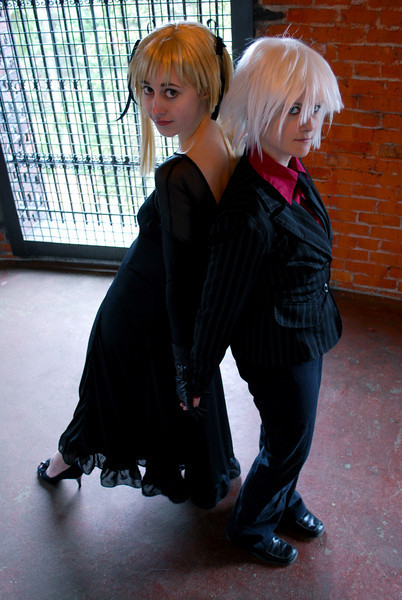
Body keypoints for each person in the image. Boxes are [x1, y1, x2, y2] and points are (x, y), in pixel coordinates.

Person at [37, 21, 240, 509]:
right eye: (147, 90)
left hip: (141, 311)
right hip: (163, 312)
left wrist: (185, 360)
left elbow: (178, 279)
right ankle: (74, 459)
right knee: (152, 397)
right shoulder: (226, 142)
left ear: (206, 88)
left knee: (110, 395)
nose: (154, 107)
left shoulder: (177, 174)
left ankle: (65, 459)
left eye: (170, 92)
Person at [175, 36, 343, 563]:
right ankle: (249, 525)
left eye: (315, 108)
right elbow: (218, 303)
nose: (309, 123)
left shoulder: (288, 167)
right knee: (290, 440)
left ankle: (282, 497)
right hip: (277, 349)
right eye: (293, 109)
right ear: (258, 108)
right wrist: (195, 375)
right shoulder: (248, 213)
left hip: (302, 328)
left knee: (287, 435)